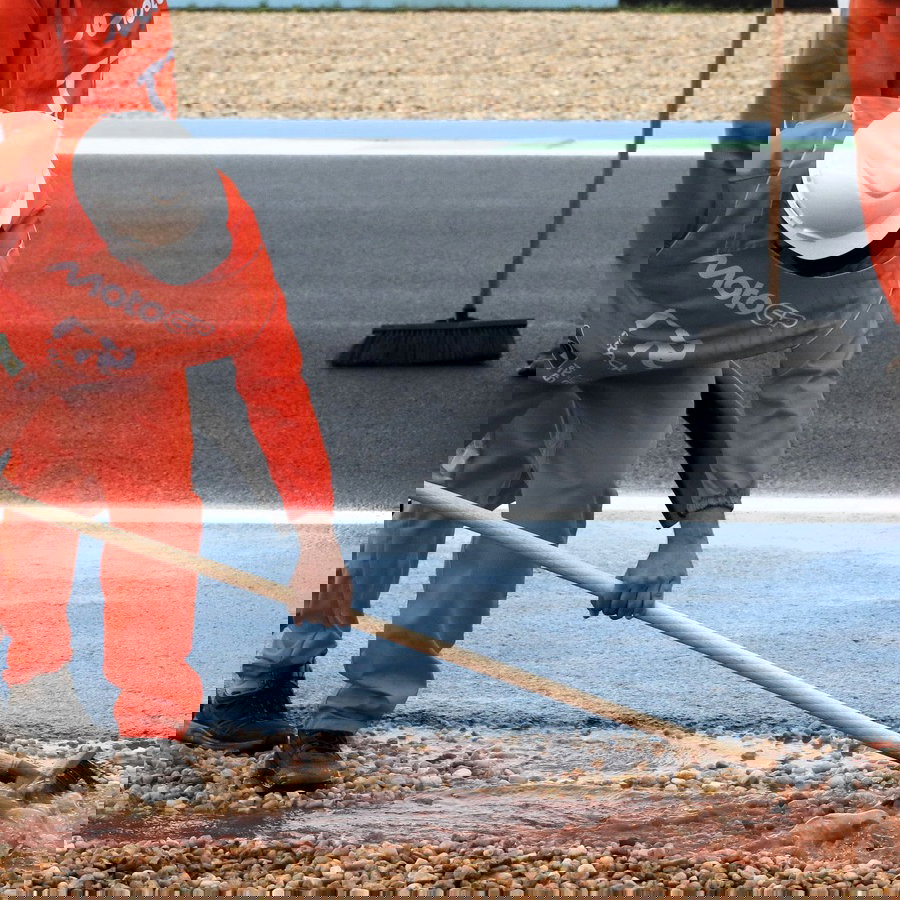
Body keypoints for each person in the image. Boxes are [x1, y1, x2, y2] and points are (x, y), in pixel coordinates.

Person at [181, 0, 900, 782]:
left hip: (674, 363)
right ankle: (256, 690)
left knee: (534, 526)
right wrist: (602, 340)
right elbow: (753, 130)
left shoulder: (849, 305)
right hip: (628, 323)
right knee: (447, 500)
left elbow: (782, 410)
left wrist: (688, 537)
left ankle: (339, 723)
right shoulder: (759, 169)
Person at [0, 0, 343, 738]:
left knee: (159, 520)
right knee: (35, 510)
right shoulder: (24, 186)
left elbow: (277, 398)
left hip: (136, 377)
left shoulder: (240, 272)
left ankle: (154, 711)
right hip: (30, 364)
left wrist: (316, 539)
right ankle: (36, 674)